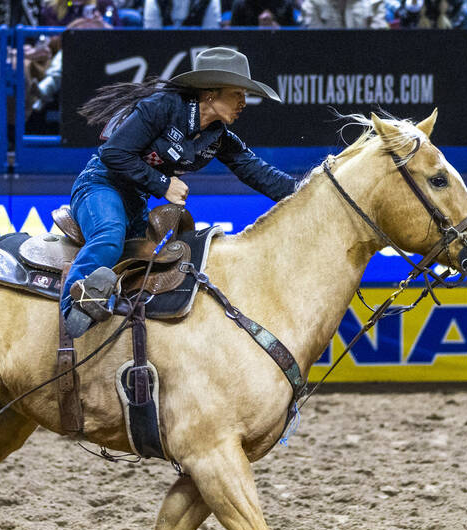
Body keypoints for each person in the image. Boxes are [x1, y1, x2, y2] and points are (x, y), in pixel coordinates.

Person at [61, 46, 297, 338]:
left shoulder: (218, 136)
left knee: (140, 268)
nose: (244, 103)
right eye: (238, 93)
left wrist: (306, 193)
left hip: (135, 202)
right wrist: (163, 185)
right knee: (109, 235)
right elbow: (114, 153)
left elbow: (259, 173)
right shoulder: (162, 106)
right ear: (210, 93)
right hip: (100, 185)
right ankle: (70, 314)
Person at [302, 0, 388, 28]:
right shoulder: (313, 3)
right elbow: (313, 44)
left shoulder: (374, 3)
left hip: (366, 64)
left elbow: (379, 44)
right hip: (324, 64)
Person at [143, 0, 220, 28]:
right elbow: (152, 38)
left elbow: (210, 38)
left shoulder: (210, 1)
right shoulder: (154, 1)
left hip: (197, 51)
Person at [227, 0, 297, 26]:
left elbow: (294, 38)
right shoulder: (239, 5)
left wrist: (279, 31)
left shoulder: (286, 4)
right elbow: (234, 38)